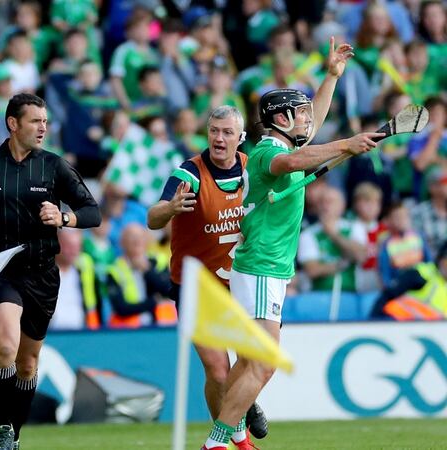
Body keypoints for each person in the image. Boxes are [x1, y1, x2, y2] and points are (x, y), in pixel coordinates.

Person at [200, 38, 383, 450]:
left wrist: (332, 76)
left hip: (270, 268)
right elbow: (293, 162)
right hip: (261, 265)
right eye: (298, 114)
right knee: (262, 364)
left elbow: (311, 133)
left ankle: (237, 438)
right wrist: (345, 144)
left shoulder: (288, 140)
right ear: (279, 118)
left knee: (251, 363)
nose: (306, 119)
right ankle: (216, 443)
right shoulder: (268, 150)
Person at [0, 93, 101, 450]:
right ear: (13, 123)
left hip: (42, 274)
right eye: (35, 121)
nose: (43, 128)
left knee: (28, 364)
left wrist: (64, 218)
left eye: (45, 122)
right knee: (5, 346)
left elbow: (92, 211)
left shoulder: (54, 166)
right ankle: (1, 427)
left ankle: (13, 436)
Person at [147, 105, 268, 446]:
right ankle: (237, 439)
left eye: (227, 132)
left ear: (240, 139)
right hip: (197, 289)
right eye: (214, 130)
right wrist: (169, 209)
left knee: (253, 363)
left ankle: (244, 401)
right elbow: (153, 217)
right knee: (217, 370)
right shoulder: (190, 174)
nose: (219, 138)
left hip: (242, 283)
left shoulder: (251, 168)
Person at [105, 223, 175, 328]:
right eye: (132, 238)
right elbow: (120, 308)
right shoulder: (114, 270)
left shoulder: (158, 261)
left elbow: (168, 291)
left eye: (140, 237)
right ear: (122, 243)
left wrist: (147, 270)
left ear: (146, 241)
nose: (137, 241)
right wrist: (153, 302)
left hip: (159, 327)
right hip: (128, 330)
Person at [49, 228, 102, 331]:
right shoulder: (45, 272)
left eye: (76, 246)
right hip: (50, 334)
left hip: (80, 332)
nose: (73, 251)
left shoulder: (84, 270)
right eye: (68, 246)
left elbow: (95, 302)